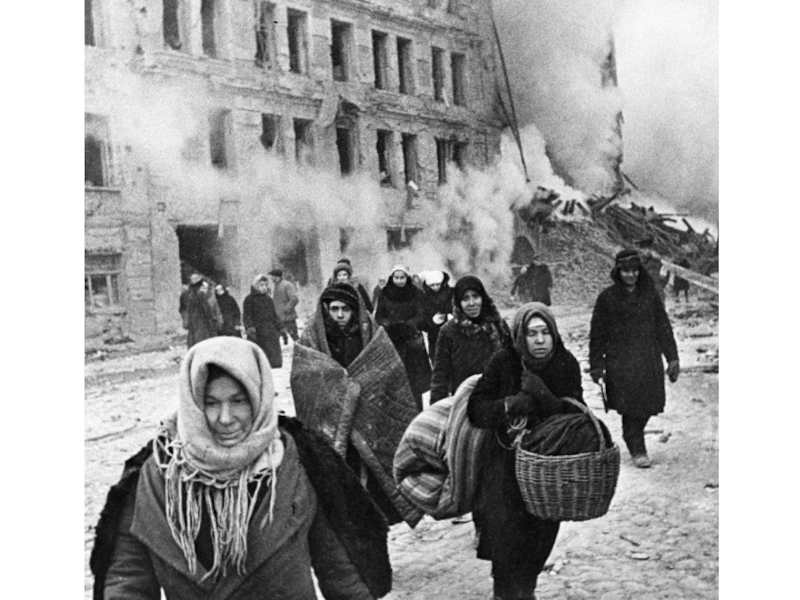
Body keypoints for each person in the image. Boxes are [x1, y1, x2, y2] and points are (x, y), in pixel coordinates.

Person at [92, 337, 392, 600]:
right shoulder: (157, 476)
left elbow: (341, 573)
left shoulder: (297, 464)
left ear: (258, 397)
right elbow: (127, 582)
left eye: (238, 401)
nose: (225, 418)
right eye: (211, 403)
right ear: (193, 403)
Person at [468, 303, 584, 600]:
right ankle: (504, 593)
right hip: (504, 466)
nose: (540, 340)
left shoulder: (565, 363)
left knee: (540, 539)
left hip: (547, 469)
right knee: (505, 542)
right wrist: (510, 405)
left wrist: (543, 395)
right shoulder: (503, 362)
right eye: (532, 334)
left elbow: (577, 415)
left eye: (545, 332)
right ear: (521, 335)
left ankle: (526, 590)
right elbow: (476, 408)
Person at [291, 282, 423, 527]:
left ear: (356, 310)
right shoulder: (312, 339)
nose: (340, 315)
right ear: (325, 309)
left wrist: (364, 387)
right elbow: (304, 378)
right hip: (333, 428)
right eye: (334, 309)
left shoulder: (372, 336)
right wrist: (338, 387)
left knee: (374, 494)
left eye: (346, 309)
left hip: (371, 424)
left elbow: (389, 371)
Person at [589, 248, 680, 468]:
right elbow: (597, 334)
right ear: (617, 271)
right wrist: (596, 364)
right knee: (630, 406)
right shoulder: (607, 298)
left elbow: (663, 327)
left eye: (634, 270)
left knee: (650, 403)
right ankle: (636, 445)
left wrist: (672, 358)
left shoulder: (650, 295)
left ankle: (632, 434)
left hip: (648, 359)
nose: (631, 275)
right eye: (625, 271)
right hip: (621, 362)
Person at [429, 275, 511, 404]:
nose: (472, 303)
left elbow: (514, 362)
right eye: (465, 299)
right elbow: (440, 375)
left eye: (476, 296)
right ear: (458, 302)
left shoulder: (498, 324)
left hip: (498, 401)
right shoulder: (449, 331)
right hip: (465, 402)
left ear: (483, 298)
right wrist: (437, 408)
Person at [375, 265, 432, 411]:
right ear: (392, 278)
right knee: (394, 379)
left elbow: (421, 315)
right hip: (392, 341)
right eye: (396, 278)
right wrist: (390, 324)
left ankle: (416, 411)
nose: (399, 281)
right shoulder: (384, 293)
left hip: (411, 340)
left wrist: (407, 325)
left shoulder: (416, 293)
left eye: (402, 278)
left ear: (407, 278)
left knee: (414, 381)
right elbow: (379, 316)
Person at [243, 274, 284, 368]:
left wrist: (281, 328)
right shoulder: (249, 299)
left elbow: (274, 315)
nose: (264, 287)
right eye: (261, 285)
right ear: (256, 285)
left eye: (266, 285)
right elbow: (247, 316)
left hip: (270, 331)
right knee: (260, 361)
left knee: (274, 362)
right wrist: (250, 328)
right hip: (258, 332)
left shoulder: (268, 299)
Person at [418, 270, 452, 363]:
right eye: (432, 285)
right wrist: (432, 321)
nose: (435, 287)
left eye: (438, 284)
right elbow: (421, 321)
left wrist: (452, 316)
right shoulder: (424, 298)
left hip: (452, 332)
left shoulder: (451, 293)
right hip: (435, 335)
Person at [181, 275, 222, 349]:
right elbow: (208, 312)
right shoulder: (201, 295)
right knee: (205, 346)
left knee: (195, 346)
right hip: (203, 327)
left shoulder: (188, 295)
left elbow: (183, 310)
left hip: (193, 328)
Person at [269, 268, 299, 344]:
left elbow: (294, 298)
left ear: (277, 276)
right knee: (282, 338)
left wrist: (287, 309)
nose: (271, 278)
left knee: (294, 337)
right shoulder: (276, 286)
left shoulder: (287, 285)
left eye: (272, 276)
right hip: (279, 318)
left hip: (288, 318)